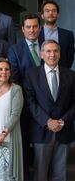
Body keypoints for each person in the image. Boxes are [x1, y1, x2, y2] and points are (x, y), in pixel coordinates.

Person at [23, 40, 75, 181]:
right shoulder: (31, 75)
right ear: (41, 54)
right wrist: (47, 121)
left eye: (55, 51)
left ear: (59, 54)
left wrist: (62, 122)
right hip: (41, 131)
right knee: (40, 175)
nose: (52, 54)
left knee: (60, 175)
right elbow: (30, 102)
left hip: (64, 131)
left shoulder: (71, 75)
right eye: (48, 51)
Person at [7, 14, 42, 179]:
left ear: (40, 28)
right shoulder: (15, 49)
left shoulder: (48, 47)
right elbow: (14, 77)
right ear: (22, 29)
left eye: (35, 26)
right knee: (26, 143)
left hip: (48, 107)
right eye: (28, 27)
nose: (32, 30)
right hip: (26, 105)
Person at [39, 0, 74, 68]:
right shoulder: (36, 34)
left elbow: (70, 58)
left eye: (54, 11)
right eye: (47, 11)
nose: (51, 13)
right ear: (42, 15)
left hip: (61, 74)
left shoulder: (68, 35)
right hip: (40, 74)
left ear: (58, 14)